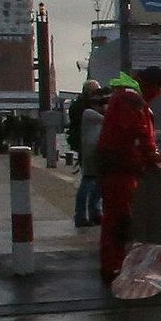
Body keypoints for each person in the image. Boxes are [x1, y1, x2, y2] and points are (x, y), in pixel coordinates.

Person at [91, 67, 161, 285]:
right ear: (152, 85)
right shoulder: (131, 100)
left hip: (119, 167)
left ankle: (114, 264)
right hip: (120, 169)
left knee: (116, 219)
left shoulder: (124, 96)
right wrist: (154, 155)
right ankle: (113, 268)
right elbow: (137, 131)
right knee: (118, 220)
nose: (158, 95)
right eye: (159, 90)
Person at [71, 82, 108, 228]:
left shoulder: (86, 110)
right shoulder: (87, 111)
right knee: (88, 180)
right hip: (90, 150)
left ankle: (94, 212)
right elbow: (106, 120)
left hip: (95, 149)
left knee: (97, 182)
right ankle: (81, 214)